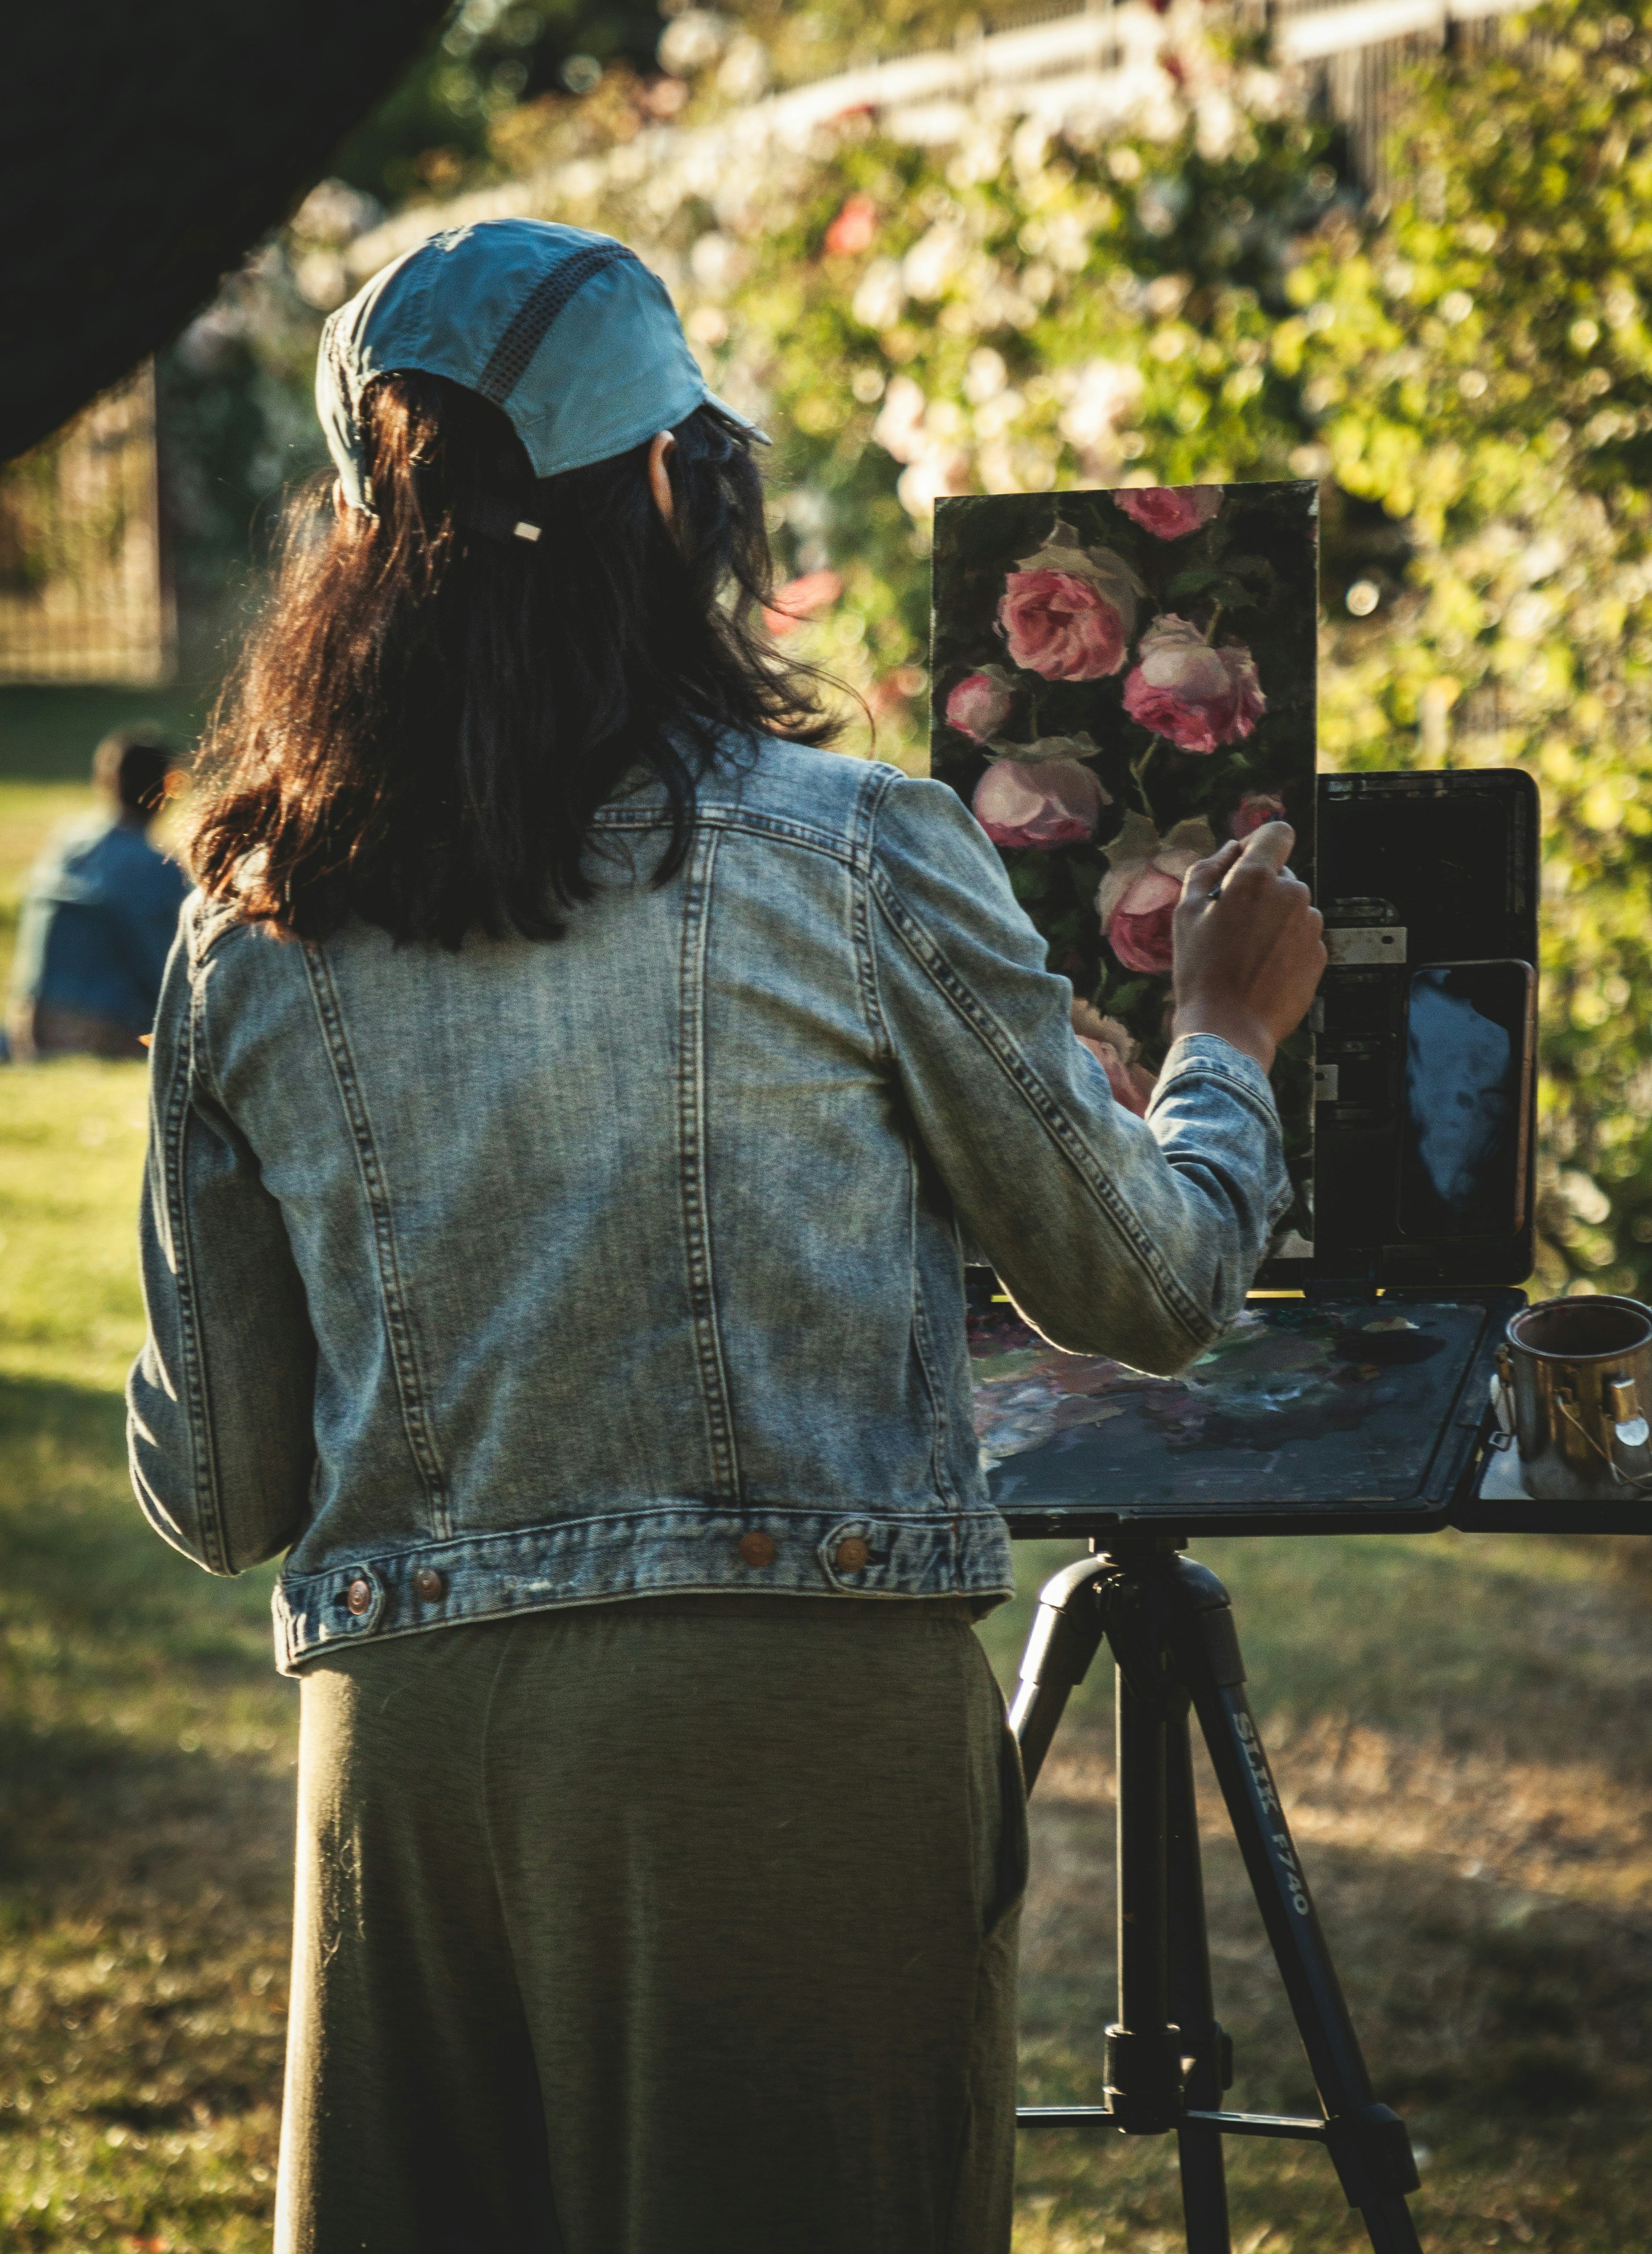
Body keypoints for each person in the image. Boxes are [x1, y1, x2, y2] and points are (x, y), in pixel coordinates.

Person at [127, 219, 1326, 2254]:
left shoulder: (248, 918)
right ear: (680, 488)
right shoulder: (851, 852)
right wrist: (1223, 1034)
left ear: (361, 528)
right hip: (790, 1749)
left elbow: (219, 1489)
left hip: (404, 1768)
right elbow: (1143, 1283)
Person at [7, 726, 187, 1059]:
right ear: (168, 788)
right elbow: (172, 974)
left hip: (33, 1021)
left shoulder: (68, 846)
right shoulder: (155, 866)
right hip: (108, 1028)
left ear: (105, 780)